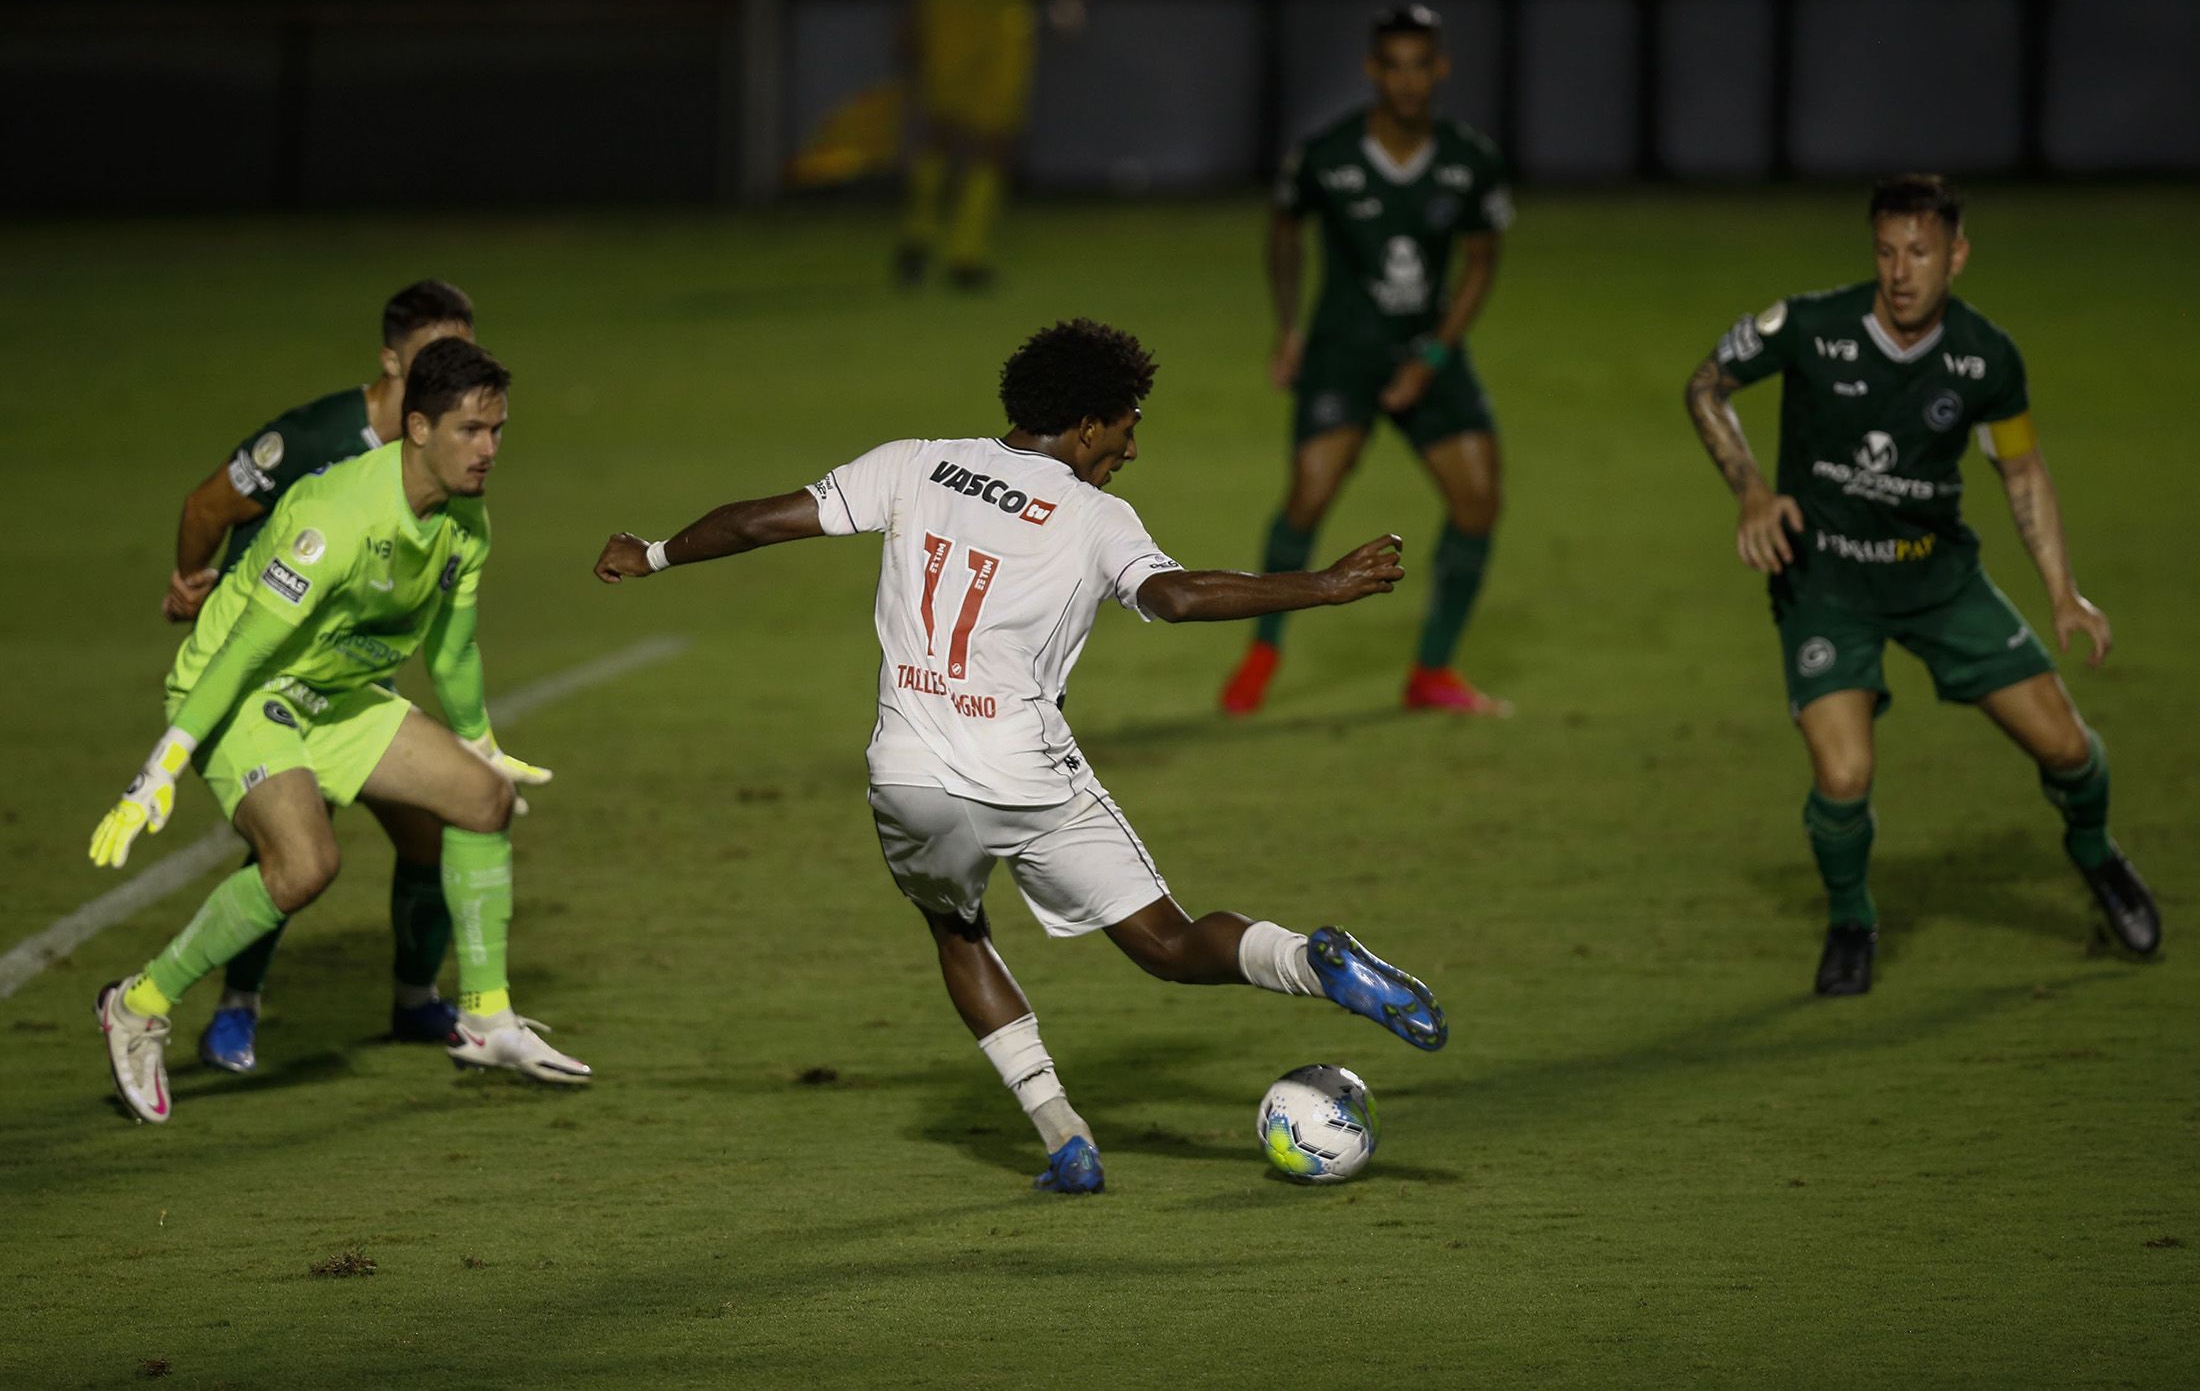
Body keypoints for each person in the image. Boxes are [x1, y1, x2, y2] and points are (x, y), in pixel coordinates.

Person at [595, 318, 1444, 1193]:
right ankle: (1310, 962)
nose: (1132, 448)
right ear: (1084, 428)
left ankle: (1065, 1139)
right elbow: (1177, 597)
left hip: (910, 774)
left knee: (957, 931)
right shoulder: (1091, 514)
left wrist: (654, 554)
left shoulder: (913, 462)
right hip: (1025, 771)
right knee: (1164, 942)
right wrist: (1324, 585)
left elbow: (760, 522)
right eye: (1127, 424)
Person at [1683, 173, 2158, 996]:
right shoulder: (1810, 325)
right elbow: (1706, 387)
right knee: (1843, 777)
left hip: (1940, 583)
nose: (1901, 272)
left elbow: (2021, 469)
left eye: (1921, 252)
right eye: (1886, 251)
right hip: (1825, 584)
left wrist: (2063, 591)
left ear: (1957, 255)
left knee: (2068, 748)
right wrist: (1753, 490)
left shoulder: (1986, 357)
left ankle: (2095, 854)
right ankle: (1852, 920)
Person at [90, 339, 586, 1126]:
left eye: (497, 431)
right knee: (305, 865)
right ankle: (139, 1004)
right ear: (417, 428)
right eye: (470, 430)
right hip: (247, 694)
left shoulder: (465, 523)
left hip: (337, 693)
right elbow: (244, 647)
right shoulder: (338, 519)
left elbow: (452, 649)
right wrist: (161, 767)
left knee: (482, 799)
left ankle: (487, 1019)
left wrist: (482, 742)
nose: (488, 449)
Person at [160, 280, 548, 1072]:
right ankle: (235, 1005)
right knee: (297, 847)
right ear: (391, 361)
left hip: (352, 677)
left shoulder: (452, 462)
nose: (453, 366)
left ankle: (416, 1001)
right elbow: (207, 505)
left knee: (435, 822)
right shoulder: (317, 440)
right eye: (435, 354)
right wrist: (189, 580)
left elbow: (451, 634)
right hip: (266, 673)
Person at [1221, 4, 1513, 717]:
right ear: (1373, 70)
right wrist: (1288, 329)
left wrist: (1436, 352)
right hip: (1342, 352)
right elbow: (1284, 230)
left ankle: (1431, 673)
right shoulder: (1327, 156)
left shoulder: (1470, 159)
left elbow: (1481, 261)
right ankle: (1263, 649)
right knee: (1309, 497)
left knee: (1479, 501)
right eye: (1395, 66)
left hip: (1428, 354)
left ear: (1439, 69)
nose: (1409, 81)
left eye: (1422, 65)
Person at [894, 0, 1093, 289]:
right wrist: (908, 15)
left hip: (1001, 22)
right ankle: (922, 237)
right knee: (943, 131)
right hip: (949, 15)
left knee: (993, 140)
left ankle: (963, 252)